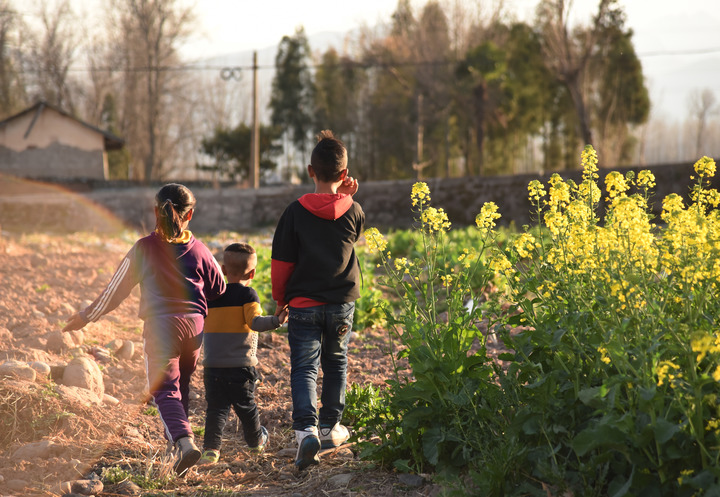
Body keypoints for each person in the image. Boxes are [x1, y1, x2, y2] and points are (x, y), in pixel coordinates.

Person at [62, 183, 226, 477]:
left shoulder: (144, 248)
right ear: (191, 215)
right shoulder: (200, 249)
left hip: (163, 326)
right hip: (195, 328)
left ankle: (183, 441)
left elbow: (115, 292)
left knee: (164, 388)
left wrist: (86, 316)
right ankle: (177, 451)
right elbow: (220, 287)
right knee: (180, 386)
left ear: (155, 212)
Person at [271, 129, 364, 470]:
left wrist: (280, 299)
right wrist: (348, 195)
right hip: (341, 305)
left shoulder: (294, 213)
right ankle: (330, 426)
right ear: (343, 174)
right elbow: (352, 228)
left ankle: (306, 430)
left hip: (303, 306)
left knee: (304, 367)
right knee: (336, 362)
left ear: (310, 170)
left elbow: (281, 263)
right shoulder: (354, 211)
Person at [198, 242, 288, 465]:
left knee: (216, 410)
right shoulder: (248, 295)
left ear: (223, 270)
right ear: (253, 273)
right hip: (240, 366)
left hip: (213, 366)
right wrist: (277, 321)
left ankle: (211, 450)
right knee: (246, 407)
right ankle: (257, 443)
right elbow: (255, 323)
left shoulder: (210, 296)